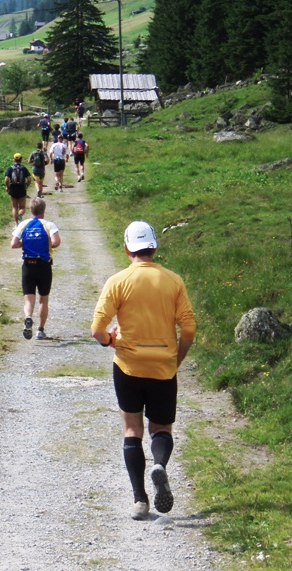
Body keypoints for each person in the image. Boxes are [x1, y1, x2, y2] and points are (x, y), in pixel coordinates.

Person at [90, 221, 196, 521]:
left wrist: (111, 340)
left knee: (132, 430)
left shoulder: (117, 281)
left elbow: (96, 329)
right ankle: (159, 463)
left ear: (127, 249)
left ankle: (139, 500)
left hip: (128, 366)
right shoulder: (173, 281)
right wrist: (177, 358)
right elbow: (189, 327)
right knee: (161, 429)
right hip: (163, 366)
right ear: (154, 247)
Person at [10, 197, 61, 341]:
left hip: (28, 265)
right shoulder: (49, 225)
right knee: (43, 299)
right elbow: (56, 242)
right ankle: (40, 330)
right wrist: (47, 243)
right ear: (43, 211)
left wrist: (25, 243)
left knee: (28, 300)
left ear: (31, 210)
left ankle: (28, 318)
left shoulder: (24, 224)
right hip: (44, 265)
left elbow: (13, 244)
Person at [3, 153, 32, 224]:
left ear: (14, 159)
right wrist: (26, 186)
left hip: (13, 189)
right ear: (21, 159)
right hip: (22, 188)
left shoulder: (10, 168)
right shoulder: (24, 168)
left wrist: (7, 187)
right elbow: (29, 179)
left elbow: (6, 179)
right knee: (22, 207)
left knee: (14, 207)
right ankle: (20, 215)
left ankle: (16, 224)